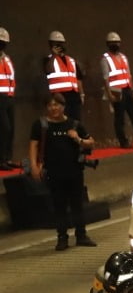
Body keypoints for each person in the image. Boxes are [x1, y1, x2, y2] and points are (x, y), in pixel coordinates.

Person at [29, 93, 98, 250]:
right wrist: (34, 165)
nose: (54, 108)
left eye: (57, 105)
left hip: (74, 170)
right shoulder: (40, 125)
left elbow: (91, 143)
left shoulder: (74, 124)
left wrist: (78, 139)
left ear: (63, 106)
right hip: (54, 171)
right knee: (58, 205)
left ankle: (81, 235)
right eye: (50, 105)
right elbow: (33, 145)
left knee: (77, 204)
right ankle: (62, 237)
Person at [43, 31, 84, 122]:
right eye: (56, 44)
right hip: (59, 96)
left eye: (60, 44)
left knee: (76, 120)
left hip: (74, 95)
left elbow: (78, 78)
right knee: (63, 121)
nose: (59, 46)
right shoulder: (48, 59)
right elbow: (48, 70)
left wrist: (81, 94)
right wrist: (54, 56)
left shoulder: (71, 60)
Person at [0, 27, 16, 169]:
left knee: (11, 129)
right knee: (4, 128)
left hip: (9, 97)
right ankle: (1, 160)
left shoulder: (6, 58)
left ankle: (8, 158)